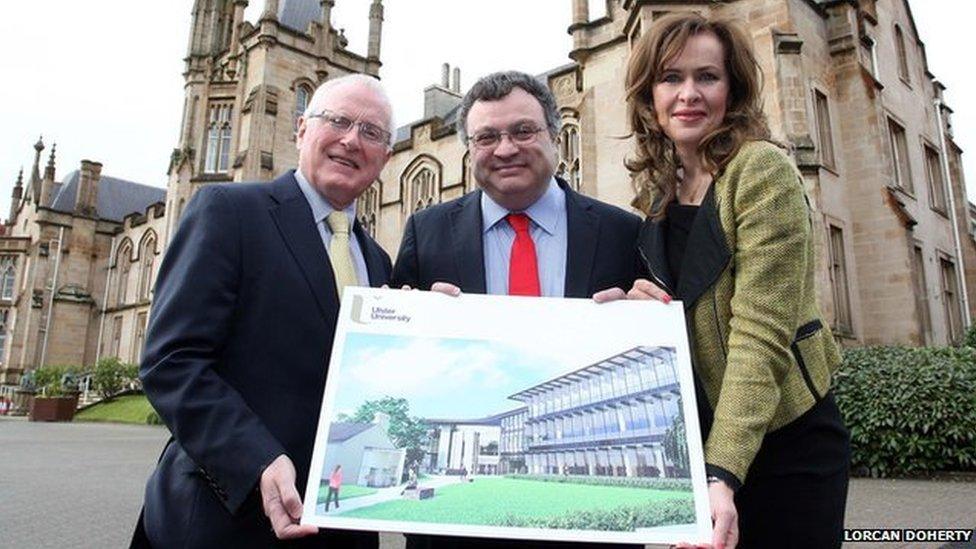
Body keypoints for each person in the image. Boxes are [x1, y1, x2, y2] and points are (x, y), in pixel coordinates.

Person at [600, 12, 850, 549]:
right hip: (709, 441)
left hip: (787, 444)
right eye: (670, 78)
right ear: (649, 97)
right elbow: (688, 310)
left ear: (731, 89)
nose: (688, 93)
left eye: (706, 77)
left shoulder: (761, 171)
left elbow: (760, 333)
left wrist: (723, 474)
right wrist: (643, 311)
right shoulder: (659, 192)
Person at [133, 74, 394, 548]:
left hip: (338, 525)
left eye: (371, 132)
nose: (352, 139)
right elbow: (171, 361)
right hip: (225, 519)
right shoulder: (230, 211)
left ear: (385, 157)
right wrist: (255, 458)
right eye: (337, 121)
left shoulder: (376, 261)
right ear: (301, 130)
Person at [393, 70, 642, 549]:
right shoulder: (426, 233)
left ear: (555, 137)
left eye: (523, 131)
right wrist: (409, 325)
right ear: (470, 151)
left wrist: (648, 315)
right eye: (487, 136)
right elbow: (402, 363)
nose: (505, 148)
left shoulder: (623, 234)